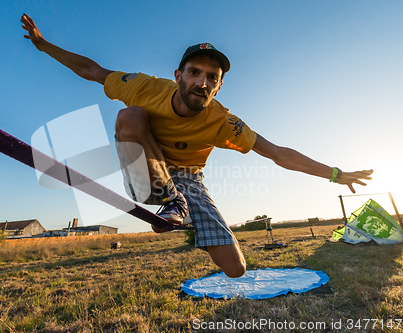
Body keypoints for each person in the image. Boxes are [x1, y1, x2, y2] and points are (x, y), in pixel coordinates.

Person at [21, 14, 373, 278]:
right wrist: (44, 45)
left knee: (236, 269)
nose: (201, 83)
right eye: (194, 73)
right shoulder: (144, 87)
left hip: (190, 179)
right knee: (129, 116)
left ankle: (182, 213)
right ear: (178, 75)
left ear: (218, 87)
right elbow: (92, 70)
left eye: (211, 79)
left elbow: (278, 153)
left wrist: (335, 174)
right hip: (145, 167)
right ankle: (170, 201)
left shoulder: (223, 122)